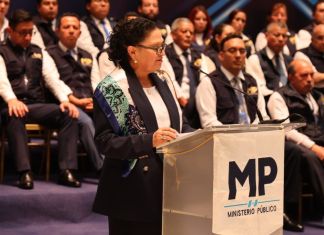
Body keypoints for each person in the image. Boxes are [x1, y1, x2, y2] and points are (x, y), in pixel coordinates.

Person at [92, 17, 193, 234]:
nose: (162, 52)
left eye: (163, 46)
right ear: (132, 51)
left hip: (170, 187)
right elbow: (105, 142)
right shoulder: (113, 89)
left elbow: (180, 125)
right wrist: (150, 141)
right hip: (132, 195)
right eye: (155, 47)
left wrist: (204, 136)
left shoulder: (162, 81)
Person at [196, 34, 303, 232]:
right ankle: (238, 213)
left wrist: (255, 135)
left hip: (252, 141)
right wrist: (240, 139)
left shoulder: (251, 82)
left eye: (242, 51)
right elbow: (209, 122)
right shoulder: (209, 83)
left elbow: (259, 116)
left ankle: (280, 209)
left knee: (292, 152)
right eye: (232, 50)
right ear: (220, 55)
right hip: (225, 145)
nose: (238, 55)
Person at [0, 9, 81, 189]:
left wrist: (64, 100)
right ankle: (25, 172)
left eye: (31, 32)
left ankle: (66, 170)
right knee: (15, 114)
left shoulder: (38, 52)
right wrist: (11, 99)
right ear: (10, 31)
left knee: (68, 114)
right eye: (23, 33)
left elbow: (52, 79)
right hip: (11, 105)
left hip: (36, 105)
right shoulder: (2, 51)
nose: (28, 37)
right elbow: (1, 80)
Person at [46, 13, 104, 172]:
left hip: (90, 102)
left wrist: (97, 100)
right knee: (85, 123)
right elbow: (53, 82)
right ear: (57, 31)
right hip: (66, 104)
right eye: (66, 27)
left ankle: (123, 166)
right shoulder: (48, 53)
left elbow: (97, 81)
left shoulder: (88, 55)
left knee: (116, 120)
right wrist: (75, 102)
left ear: (80, 32)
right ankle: (103, 169)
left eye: (75, 27)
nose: (71, 30)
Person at [268, 59, 324, 218]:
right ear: (291, 77)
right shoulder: (278, 97)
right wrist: (314, 146)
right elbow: (287, 131)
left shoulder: (317, 96)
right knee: (310, 156)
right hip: (295, 145)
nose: (309, 79)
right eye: (304, 75)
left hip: (318, 139)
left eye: (311, 75)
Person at [165, 17, 216, 128]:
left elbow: (205, 79)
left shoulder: (198, 55)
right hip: (175, 102)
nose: (188, 35)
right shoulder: (165, 54)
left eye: (191, 33)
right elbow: (165, 79)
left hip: (196, 105)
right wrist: (178, 96)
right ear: (173, 35)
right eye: (184, 31)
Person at [247, 22, 292, 101]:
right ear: (266, 36)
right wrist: (281, 98)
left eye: (284, 36)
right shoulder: (255, 59)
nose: (281, 39)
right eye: (277, 35)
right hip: (268, 102)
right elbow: (260, 90)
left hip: (290, 101)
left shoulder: (289, 60)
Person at [295, 24, 324, 91]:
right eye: (320, 38)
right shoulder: (301, 54)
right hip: (314, 94)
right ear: (312, 39)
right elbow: (313, 78)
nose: (323, 42)